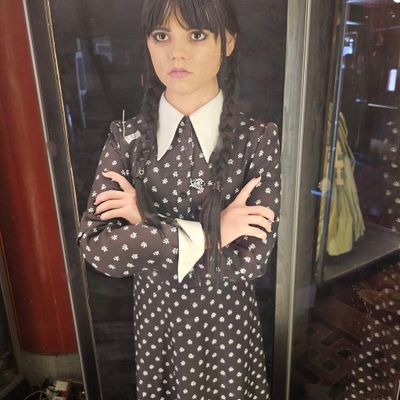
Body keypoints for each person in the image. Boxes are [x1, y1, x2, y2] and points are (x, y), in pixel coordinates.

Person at [76, 0, 281, 398]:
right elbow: (99, 249)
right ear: (148, 43)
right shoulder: (127, 138)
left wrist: (144, 220)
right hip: (158, 327)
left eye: (197, 35)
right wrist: (211, 234)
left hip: (227, 329)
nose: (177, 52)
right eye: (161, 35)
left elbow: (251, 259)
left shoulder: (256, 139)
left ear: (228, 42)